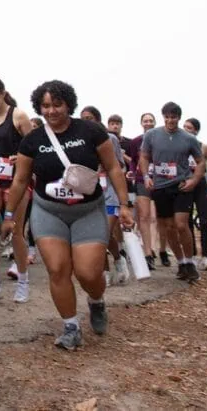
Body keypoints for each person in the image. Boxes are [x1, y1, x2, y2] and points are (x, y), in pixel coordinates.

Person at [3, 80, 132, 351]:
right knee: (58, 269)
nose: (51, 111)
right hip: (49, 211)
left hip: (88, 211)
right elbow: (20, 180)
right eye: (45, 106)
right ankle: (70, 326)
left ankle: (96, 301)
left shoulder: (91, 131)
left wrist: (124, 205)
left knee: (88, 272)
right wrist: (9, 214)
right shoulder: (33, 140)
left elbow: (113, 168)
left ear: (68, 104)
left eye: (57, 104)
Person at [0, 77, 35, 304]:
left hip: (16, 183)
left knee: (16, 231)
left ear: (3, 94)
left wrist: (19, 157)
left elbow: (34, 148)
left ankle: (23, 282)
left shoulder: (18, 116)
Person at [139, 102, 205, 282]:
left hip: (181, 186)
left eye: (173, 117)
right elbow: (144, 157)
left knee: (181, 225)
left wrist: (194, 180)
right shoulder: (152, 135)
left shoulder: (188, 138)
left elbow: (200, 162)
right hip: (160, 187)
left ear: (179, 118)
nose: (170, 121)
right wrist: (146, 176)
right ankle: (181, 262)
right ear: (163, 117)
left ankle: (191, 262)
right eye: (167, 117)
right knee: (168, 227)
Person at [79, 106, 130, 286]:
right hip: (90, 193)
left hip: (109, 193)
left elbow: (121, 167)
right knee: (97, 234)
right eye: (83, 118)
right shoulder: (79, 141)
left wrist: (106, 169)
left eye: (90, 118)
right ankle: (105, 271)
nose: (86, 121)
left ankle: (118, 259)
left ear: (98, 120)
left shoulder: (110, 139)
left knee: (104, 232)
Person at [183, 117, 207, 270]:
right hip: (185, 184)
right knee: (187, 221)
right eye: (184, 127)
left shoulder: (204, 147)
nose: (185, 130)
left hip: (201, 185)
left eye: (189, 128)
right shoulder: (179, 146)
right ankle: (192, 255)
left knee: (204, 221)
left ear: (196, 131)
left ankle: (205, 256)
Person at [126, 112, 159, 269]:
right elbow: (133, 161)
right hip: (141, 180)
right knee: (145, 217)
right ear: (141, 123)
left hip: (162, 181)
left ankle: (160, 249)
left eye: (151, 121)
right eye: (145, 121)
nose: (148, 123)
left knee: (157, 219)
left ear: (155, 123)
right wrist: (132, 171)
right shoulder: (136, 142)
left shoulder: (162, 139)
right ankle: (148, 253)